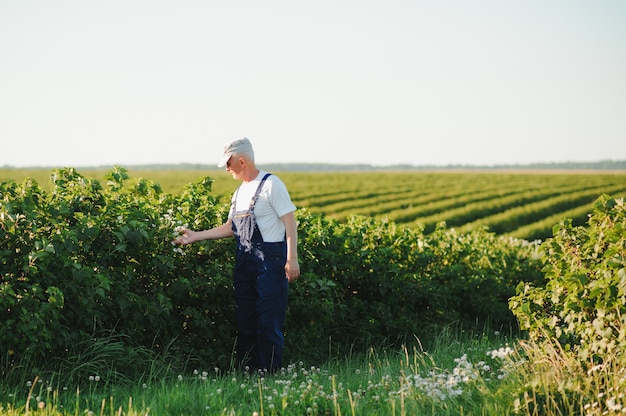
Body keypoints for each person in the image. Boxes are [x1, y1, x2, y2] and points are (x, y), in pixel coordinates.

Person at [173, 137, 300, 373]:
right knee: (247, 321)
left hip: (270, 264)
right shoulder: (240, 192)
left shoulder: (271, 185)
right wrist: (195, 235)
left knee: (268, 322)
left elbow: (290, 222)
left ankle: (270, 376)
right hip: (245, 263)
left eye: (228, 163)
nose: (226, 168)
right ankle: (250, 374)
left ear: (242, 160)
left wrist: (291, 259)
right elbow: (231, 227)